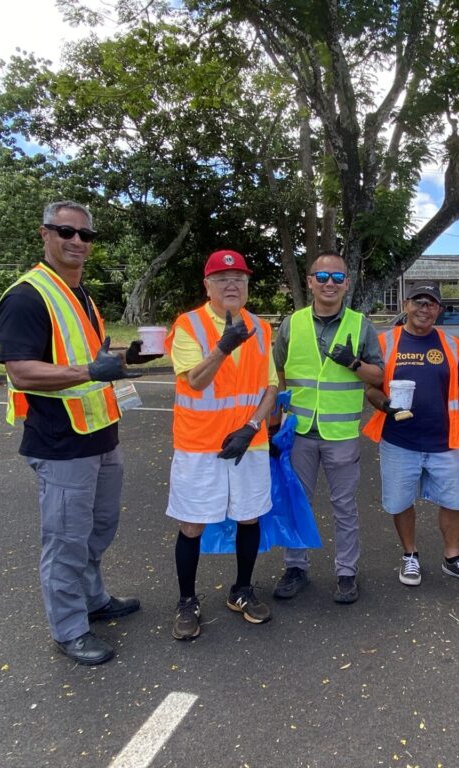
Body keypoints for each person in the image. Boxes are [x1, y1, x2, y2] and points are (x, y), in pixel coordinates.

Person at [0, 201, 153, 666]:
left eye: (86, 235)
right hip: (61, 443)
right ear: (44, 234)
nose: (77, 241)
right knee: (65, 540)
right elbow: (21, 372)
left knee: (97, 530)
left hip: (101, 433)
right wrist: (91, 370)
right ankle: (69, 630)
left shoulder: (80, 294)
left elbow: (93, 360)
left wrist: (126, 360)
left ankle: (94, 599)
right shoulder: (28, 296)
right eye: (66, 231)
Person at [165, 250, 279, 640]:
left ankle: (242, 591)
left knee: (249, 517)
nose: (232, 284)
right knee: (192, 524)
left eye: (240, 278)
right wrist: (223, 347)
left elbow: (271, 387)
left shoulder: (261, 328)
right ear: (207, 286)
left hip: (249, 443)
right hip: (199, 445)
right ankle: (186, 601)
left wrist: (250, 427)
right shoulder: (189, 325)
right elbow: (195, 381)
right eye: (223, 278)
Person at [272, 251, 384, 604]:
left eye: (338, 278)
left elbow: (379, 376)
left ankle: (347, 573)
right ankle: (295, 567)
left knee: (345, 507)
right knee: (296, 503)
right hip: (299, 433)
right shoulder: (292, 324)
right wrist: (274, 425)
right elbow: (276, 375)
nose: (330, 284)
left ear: (347, 284)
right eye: (322, 277)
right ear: (309, 282)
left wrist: (353, 363)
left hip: (341, 435)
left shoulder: (361, 324)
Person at [363, 284, 459, 588]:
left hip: (443, 441)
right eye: (419, 302)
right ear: (406, 304)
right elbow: (370, 387)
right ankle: (410, 555)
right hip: (398, 439)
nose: (425, 308)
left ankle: (453, 558)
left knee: (453, 502)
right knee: (400, 501)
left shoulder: (451, 345)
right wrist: (385, 405)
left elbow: (458, 391)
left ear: (439, 310)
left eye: (432, 304)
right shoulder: (385, 342)